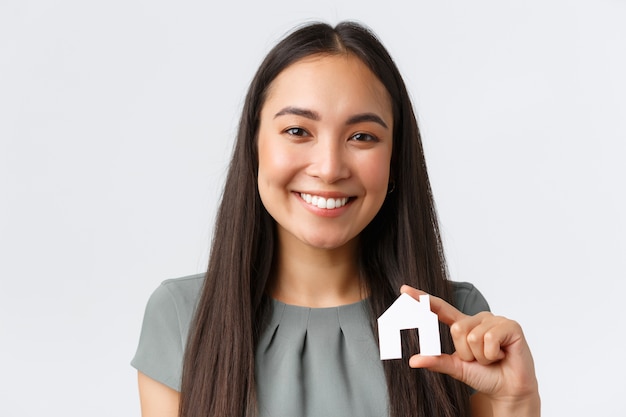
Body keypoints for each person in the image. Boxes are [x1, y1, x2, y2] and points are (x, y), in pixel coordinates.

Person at [132, 21, 540, 417]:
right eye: (297, 131)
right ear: (254, 146)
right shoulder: (181, 317)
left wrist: (515, 404)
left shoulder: (455, 321)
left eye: (362, 136)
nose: (329, 169)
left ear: (395, 161)